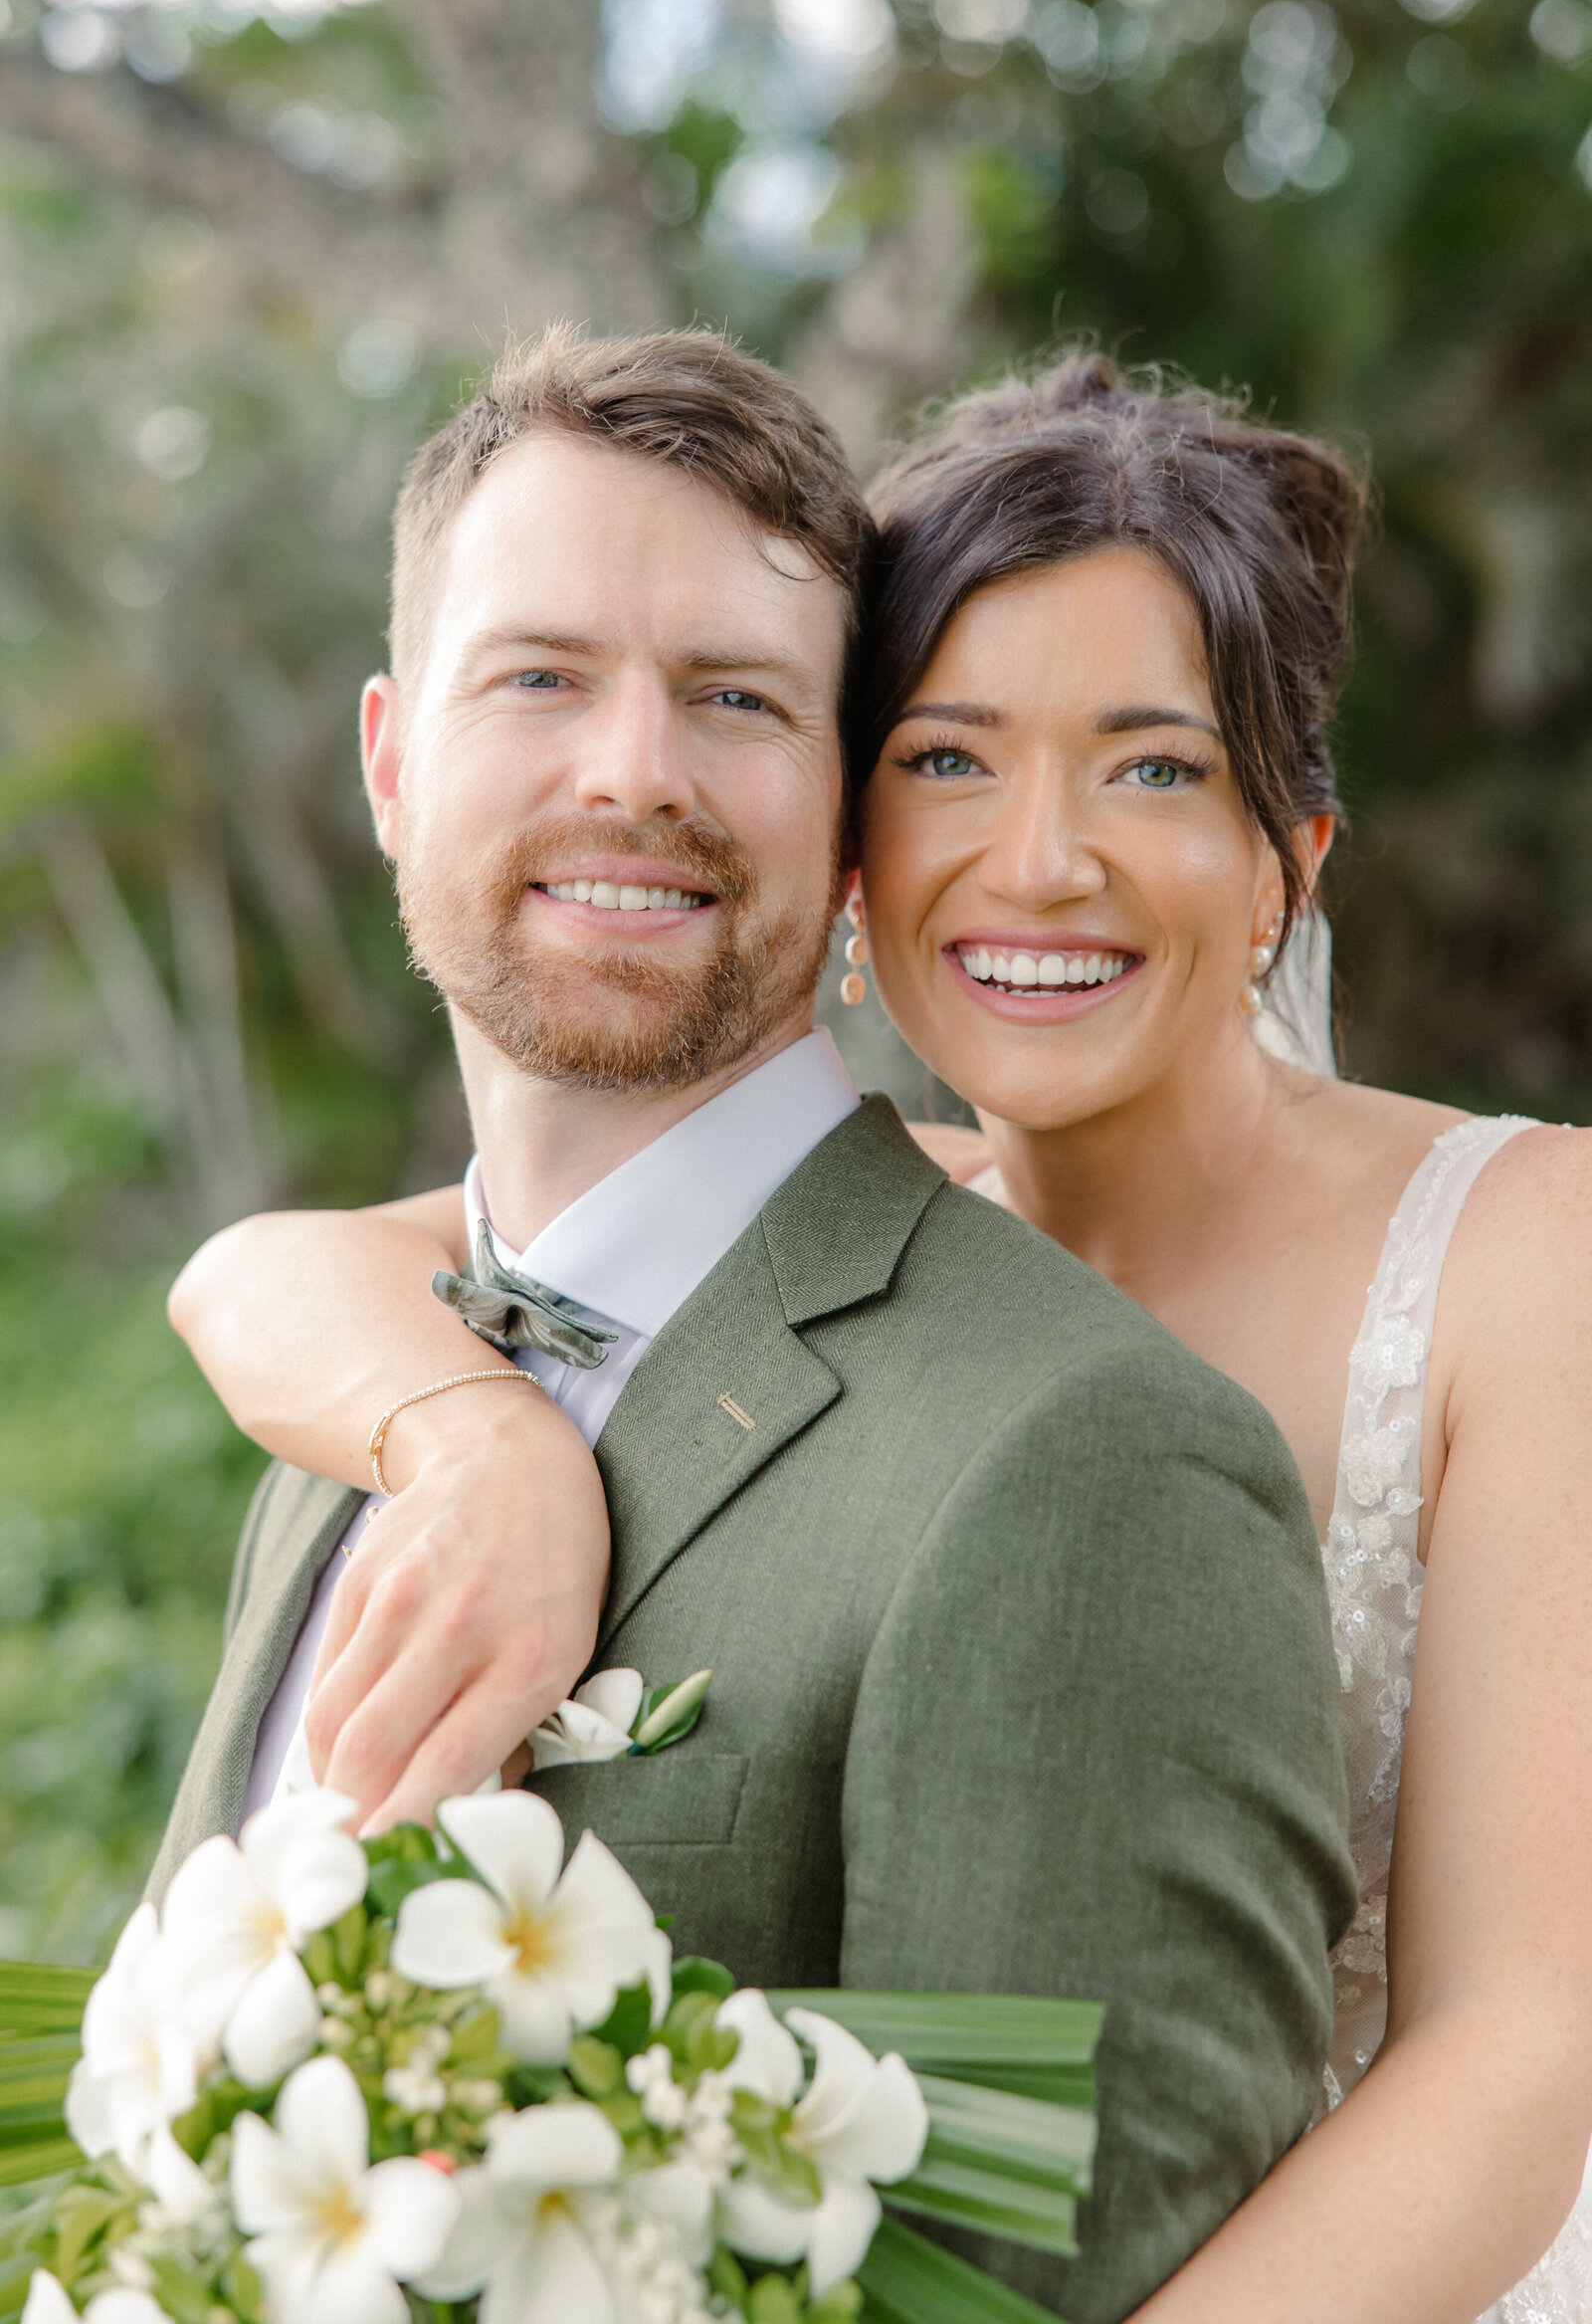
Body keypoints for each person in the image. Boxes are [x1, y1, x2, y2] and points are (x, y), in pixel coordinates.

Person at [173, 347, 1592, 2324]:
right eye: (945, 758)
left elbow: (1522, 2056)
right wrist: (471, 1440)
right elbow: (285, 1266)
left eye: (1155, 765)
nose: (1037, 860)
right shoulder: (886, 1213)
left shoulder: (1528, 1251)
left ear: (1288, 860)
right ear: (853, 845)